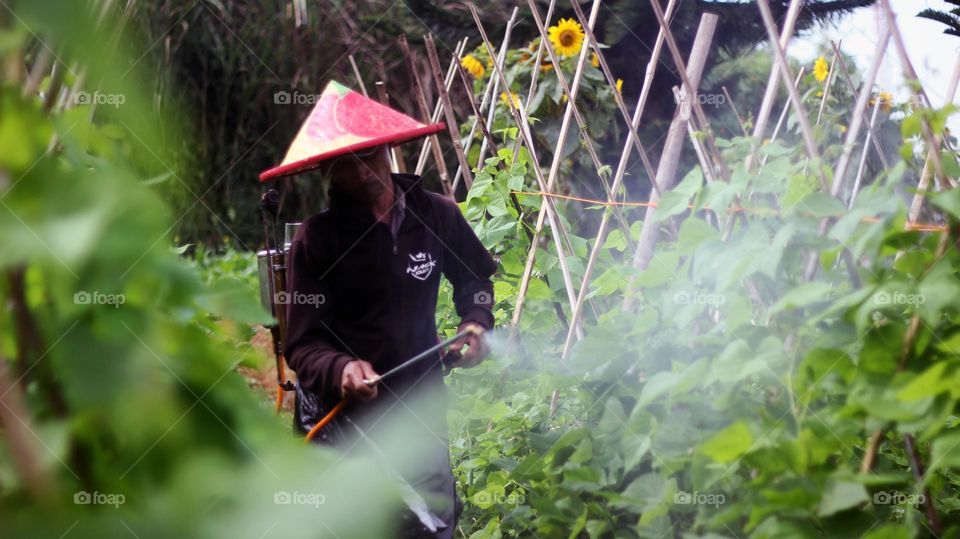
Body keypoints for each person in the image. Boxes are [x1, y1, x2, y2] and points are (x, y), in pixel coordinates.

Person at [282, 142, 496, 538]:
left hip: (420, 409)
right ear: (327, 172)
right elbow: (301, 345)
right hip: (345, 423)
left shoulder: (436, 214)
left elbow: (475, 279)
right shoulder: (318, 240)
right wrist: (341, 367)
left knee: (429, 526)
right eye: (345, 166)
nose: (361, 173)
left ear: (388, 148)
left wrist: (477, 320)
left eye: (367, 158)